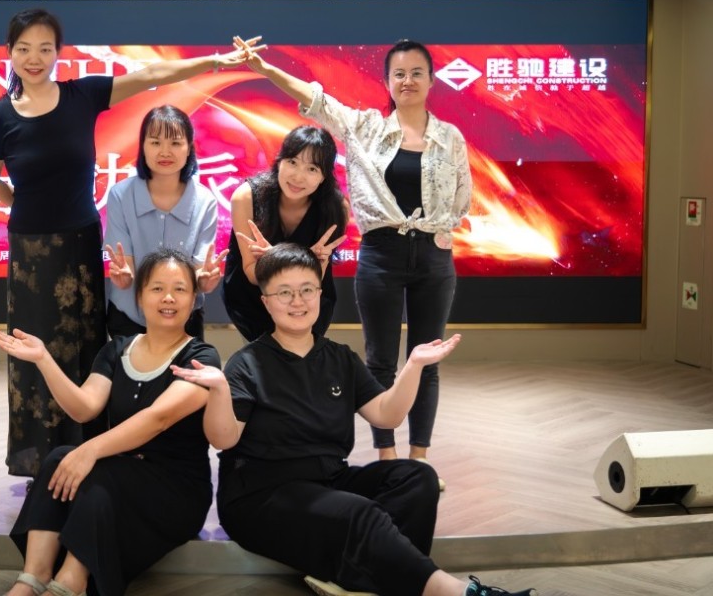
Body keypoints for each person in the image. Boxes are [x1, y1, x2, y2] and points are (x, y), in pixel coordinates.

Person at [0, 7, 252, 478]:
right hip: (31, 252)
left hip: (81, 243)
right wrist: (28, 205)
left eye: (45, 48)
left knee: (87, 348)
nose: (34, 58)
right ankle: (38, 459)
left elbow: (153, 76)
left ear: (58, 53)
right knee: (34, 350)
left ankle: (90, 452)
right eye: (23, 48)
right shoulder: (0, 115)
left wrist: (216, 61)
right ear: (9, 53)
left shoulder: (81, 95)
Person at [173, 244, 535, 596]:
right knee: (357, 511)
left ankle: (368, 584)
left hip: (328, 480)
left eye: (307, 289)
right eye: (284, 292)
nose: (298, 301)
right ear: (266, 302)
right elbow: (224, 439)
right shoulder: (247, 363)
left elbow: (386, 414)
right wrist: (219, 390)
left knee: (417, 478)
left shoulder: (340, 358)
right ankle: (458, 592)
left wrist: (413, 365)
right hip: (261, 496)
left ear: (319, 293)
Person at [234, 36, 472, 488]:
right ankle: (387, 454)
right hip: (381, 254)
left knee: (426, 358)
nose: (407, 80)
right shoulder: (364, 128)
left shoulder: (451, 138)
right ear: (387, 81)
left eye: (416, 73)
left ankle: (420, 457)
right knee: (380, 360)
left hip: (434, 256)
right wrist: (266, 70)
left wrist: (435, 230)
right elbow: (315, 99)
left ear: (431, 80)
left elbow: (463, 196)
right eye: (399, 73)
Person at [0, 248, 220, 596]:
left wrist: (91, 450)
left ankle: (70, 582)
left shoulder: (201, 357)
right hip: (123, 476)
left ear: (194, 300)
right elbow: (84, 408)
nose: (168, 298)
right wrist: (43, 360)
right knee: (58, 459)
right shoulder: (118, 350)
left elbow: (158, 418)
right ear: (140, 297)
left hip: (176, 491)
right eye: (157, 288)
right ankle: (33, 577)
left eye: (180, 289)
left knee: (97, 471)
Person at [103, 105, 226, 341]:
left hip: (184, 319)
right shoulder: (121, 195)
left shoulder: (205, 201)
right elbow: (125, 266)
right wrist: (124, 277)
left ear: (189, 148)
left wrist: (204, 280)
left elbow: (199, 271)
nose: (165, 152)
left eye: (175, 143)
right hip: (130, 316)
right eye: (155, 142)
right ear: (143, 146)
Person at [221, 125, 349, 342]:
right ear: (279, 161)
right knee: (262, 358)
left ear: (323, 177)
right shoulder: (247, 197)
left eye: (312, 169)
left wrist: (315, 264)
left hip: (307, 301)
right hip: (253, 299)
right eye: (292, 162)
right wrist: (289, 262)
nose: (298, 177)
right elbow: (252, 273)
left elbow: (316, 278)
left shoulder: (336, 208)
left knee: (303, 358)